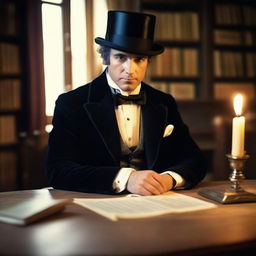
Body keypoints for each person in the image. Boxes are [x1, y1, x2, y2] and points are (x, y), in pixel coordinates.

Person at [46, 10, 206, 195]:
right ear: (106, 57)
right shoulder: (71, 103)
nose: (130, 69)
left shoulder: (164, 101)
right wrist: (125, 178)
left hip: (157, 204)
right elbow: (57, 171)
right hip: (94, 205)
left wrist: (169, 178)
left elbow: (195, 160)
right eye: (121, 57)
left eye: (139, 59)